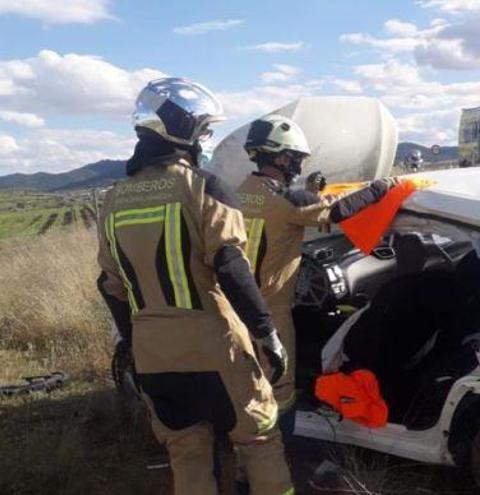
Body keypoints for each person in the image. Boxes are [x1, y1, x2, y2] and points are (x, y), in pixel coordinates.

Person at [96, 77, 293, 495]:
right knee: (260, 440)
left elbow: (109, 285)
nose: (205, 140)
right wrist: (266, 333)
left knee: (187, 454)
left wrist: (134, 345)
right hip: (214, 347)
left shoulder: (112, 200)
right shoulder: (205, 186)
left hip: (152, 357)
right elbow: (230, 265)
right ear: (181, 130)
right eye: (203, 130)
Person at [234, 114, 401, 442]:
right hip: (271, 313)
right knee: (277, 391)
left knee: (245, 383)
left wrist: (309, 190)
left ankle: (240, 454)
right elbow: (337, 210)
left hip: (234, 308)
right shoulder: (289, 201)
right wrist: (381, 188)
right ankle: (275, 458)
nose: (297, 165)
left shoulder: (238, 193)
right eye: (295, 158)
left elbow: (281, 213)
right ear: (281, 157)